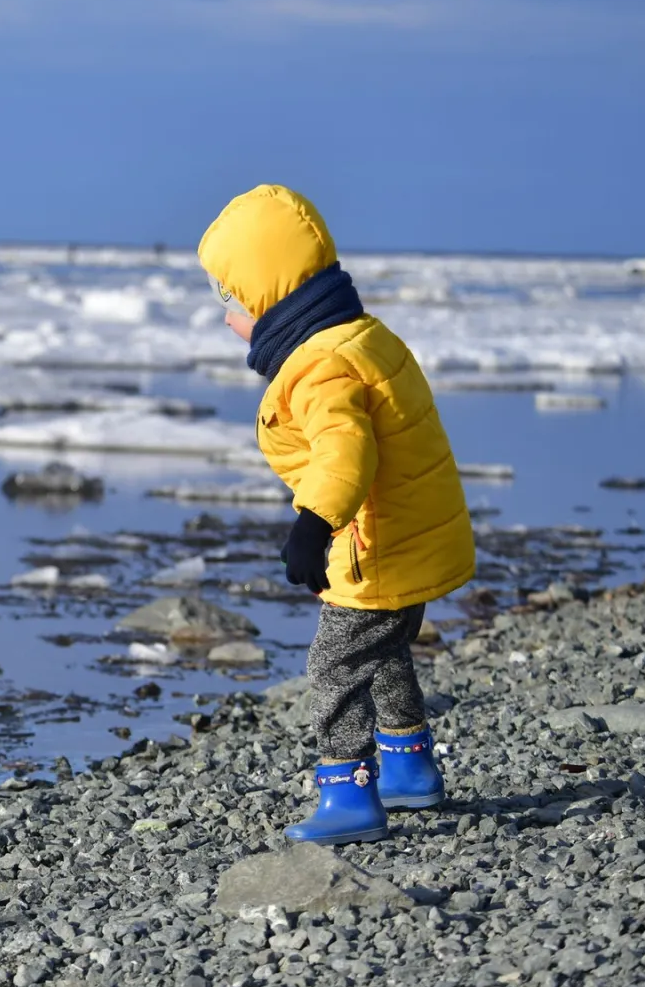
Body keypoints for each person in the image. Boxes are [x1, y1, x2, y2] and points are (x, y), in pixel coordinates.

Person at [197, 184, 475, 844]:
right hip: (407, 539)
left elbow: (345, 454)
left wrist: (312, 526)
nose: (226, 316)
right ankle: (409, 767)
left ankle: (347, 791)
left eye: (227, 300)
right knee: (383, 651)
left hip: (370, 546)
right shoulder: (361, 337)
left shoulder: (322, 366)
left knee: (335, 664)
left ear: (268, 296)